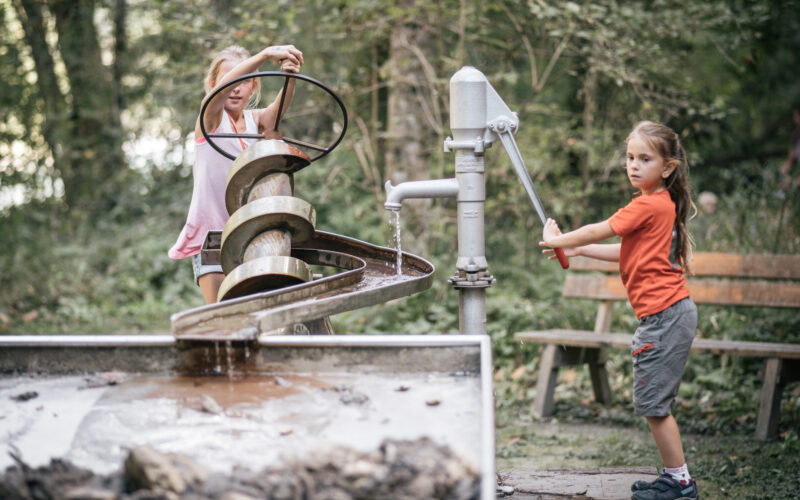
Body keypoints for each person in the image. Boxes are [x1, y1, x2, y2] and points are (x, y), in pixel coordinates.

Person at [540, 121, 699, 500]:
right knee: (653, 403)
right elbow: (625, 250)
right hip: (669, 315)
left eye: (645, 159)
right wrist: (577, 251)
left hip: (664, 318)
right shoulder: (659, 205)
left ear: (667, 167)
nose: (634, 165)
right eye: (630, 157)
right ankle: (674, 477)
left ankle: (680, 483)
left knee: (653, 405)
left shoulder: (647, 204)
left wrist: (559, 239)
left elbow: (603, 229)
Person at [169, 44, 304, 304]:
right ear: (213, 83)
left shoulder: (256, 122)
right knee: (224, 317)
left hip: (252, 234)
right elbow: (220, 93)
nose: (236, 87)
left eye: (245, 82)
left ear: (253, 86)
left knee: (259, 315)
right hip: (214, 237)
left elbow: (276, 114)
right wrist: (264, 55)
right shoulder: (210, 119)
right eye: (231, 79)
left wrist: (290, 76)